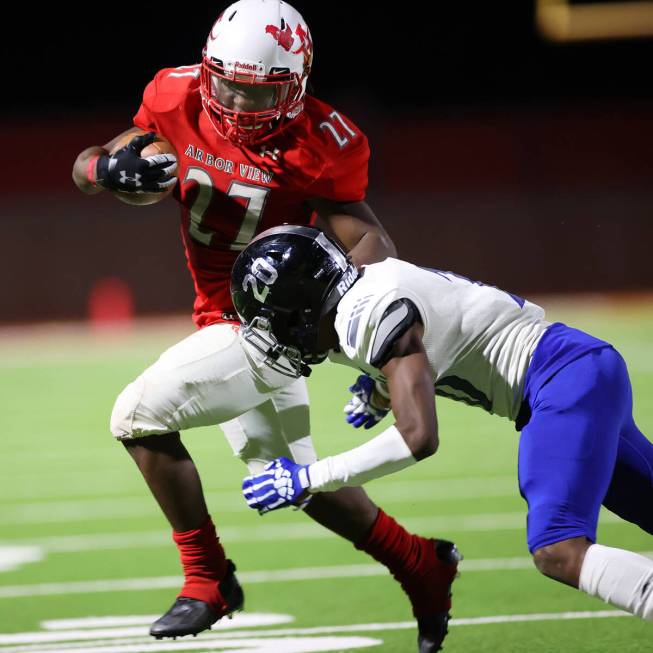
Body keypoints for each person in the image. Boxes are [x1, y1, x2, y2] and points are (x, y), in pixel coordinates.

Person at [71, 2, 459, 650]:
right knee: (290, 475)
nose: (238, 101)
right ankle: (420, 563)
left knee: (136, 415)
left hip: (272, 321)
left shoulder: (322, 140)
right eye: (227, 84)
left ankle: (208, 578)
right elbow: (90, 165)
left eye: (258, 90)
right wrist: (107, 169)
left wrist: (358, 327)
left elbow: (368, 239)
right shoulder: (174, 93)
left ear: (296, 82)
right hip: (218, 311)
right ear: (209, 69)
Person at [231, 224, 653, 629]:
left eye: (276, 322)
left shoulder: (367, 316)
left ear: (302, 307)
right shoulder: (357, 290)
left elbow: (417, 437)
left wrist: (308, 478)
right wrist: (383, 388)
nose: (279, 338)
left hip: (560, 381)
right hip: (583, 367)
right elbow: (436, 332)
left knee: (558, 548)